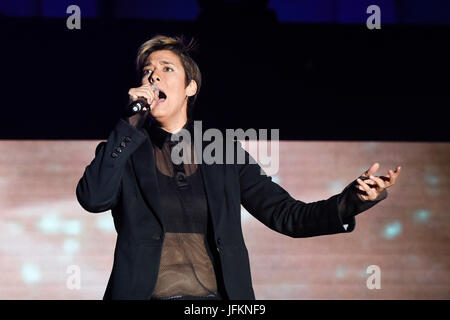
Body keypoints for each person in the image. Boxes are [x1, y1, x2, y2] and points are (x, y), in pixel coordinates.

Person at [76, 35, 401, 300]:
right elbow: (93, 198)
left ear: (191, 87)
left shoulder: (225, 153)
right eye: (147, 70)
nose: (153, 75)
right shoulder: (123, 150)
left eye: (166, 68)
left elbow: (286, 214)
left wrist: (350, 203)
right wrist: (130, 121)